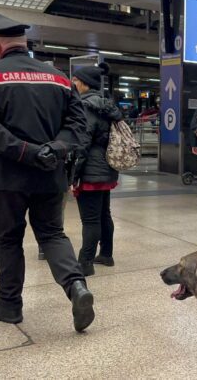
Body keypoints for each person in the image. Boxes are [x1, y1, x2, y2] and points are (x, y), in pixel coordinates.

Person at [0, 12, 94, 333]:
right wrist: (54, 149)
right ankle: (76, 286)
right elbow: (77, 126)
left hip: (9, 175)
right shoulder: (61, 79)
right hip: (51, 172)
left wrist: (24, 151)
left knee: (8, 239)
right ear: (25, 43)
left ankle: (9, 304)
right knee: (52, 234)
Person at [71, 64, 123, 276]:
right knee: (104, 214)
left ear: (84, 83)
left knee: (91, 219)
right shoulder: (105, 104)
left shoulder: (85, 106)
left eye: (75, 80)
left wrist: (73, 174)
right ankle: (107, 254)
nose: (73, 83)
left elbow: (82, 144)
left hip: (91, 170)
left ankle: (85, 261)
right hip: (107, 166)